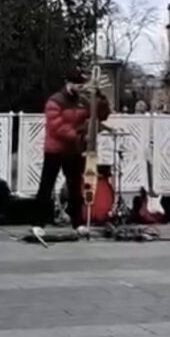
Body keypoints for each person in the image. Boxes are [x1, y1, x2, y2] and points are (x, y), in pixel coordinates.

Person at [34, 70, 110, 231]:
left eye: (82, 84)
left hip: (74, 149)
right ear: (68, 84)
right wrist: (77, 136)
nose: (80, 88)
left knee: (75, 186)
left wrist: (99, 97)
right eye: (77, 84)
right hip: (55, 149)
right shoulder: (55, 101)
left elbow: (102, 114)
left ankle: (78, 223)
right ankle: (38, 222)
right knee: (47, 185)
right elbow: (56, 126)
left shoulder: (82, 101)